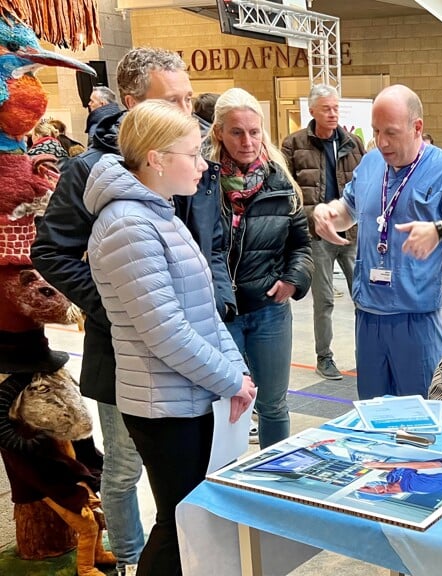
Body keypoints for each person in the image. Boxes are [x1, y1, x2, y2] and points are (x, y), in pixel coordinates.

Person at [32, 47, 235, 576]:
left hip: (191, 352)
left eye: (190, 98)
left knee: (187, 498)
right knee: (126, 471)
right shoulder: (96, 178)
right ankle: (124, 557)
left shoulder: (188, 167)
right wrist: (118, 305)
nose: (188, 110)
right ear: (134, 108)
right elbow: (51, 253)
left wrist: (217, 307)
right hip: (133, 357)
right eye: (174, 100)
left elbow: (208, 246)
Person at [83, 99, 256, 576]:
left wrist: (235, 371)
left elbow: (202, 310)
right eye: (193, 154)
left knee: (193, 524)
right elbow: (164, 331)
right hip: (165, 405)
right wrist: (229, 379)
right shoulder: (127, 225)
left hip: (191, 396)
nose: (204, 164)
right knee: (181, 526)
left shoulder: (159, 214)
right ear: (157, 159)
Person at [312, 84, 442, 399]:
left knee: (422, 416)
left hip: (416, 318)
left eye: (391, 132)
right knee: (374, 413)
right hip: (369, 314)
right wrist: (327, 213)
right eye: (376, 131)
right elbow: (349, 209)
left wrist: (440, 230)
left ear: (417, 128)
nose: (382, 142)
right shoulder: (371, 163)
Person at [208, 87, 313, 449]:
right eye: (237, 132)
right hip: (222, 314)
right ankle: (230, 480)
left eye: (254, 132)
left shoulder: (280, 183)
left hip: (268, 310)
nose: (247, 141)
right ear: (219, 131)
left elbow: (300, 244)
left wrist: (292, 280)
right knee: (230, 404)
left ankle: (273, 479)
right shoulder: (201, 183)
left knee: (272, 405)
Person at [282, 84, 365, 380]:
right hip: (317, 235)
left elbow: (365, 186)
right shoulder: (293, 144)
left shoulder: (353, 143)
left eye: (336, 108)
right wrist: (311, 217)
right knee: (325, 299)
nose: (332, 114)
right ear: (312, 110)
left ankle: (366, 353)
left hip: (351, 233)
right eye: (327, 108)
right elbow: (287, 192)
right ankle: (324, 356)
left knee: (364, 296)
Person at [356, 460, 442, 495]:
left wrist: (373, 465)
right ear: (380, 492)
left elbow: (396, 469)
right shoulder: (418, 486)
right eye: (366, 487)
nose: (367, 483)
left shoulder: (391, 479)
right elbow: (435, 465)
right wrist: (382, 465)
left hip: (425, 454)